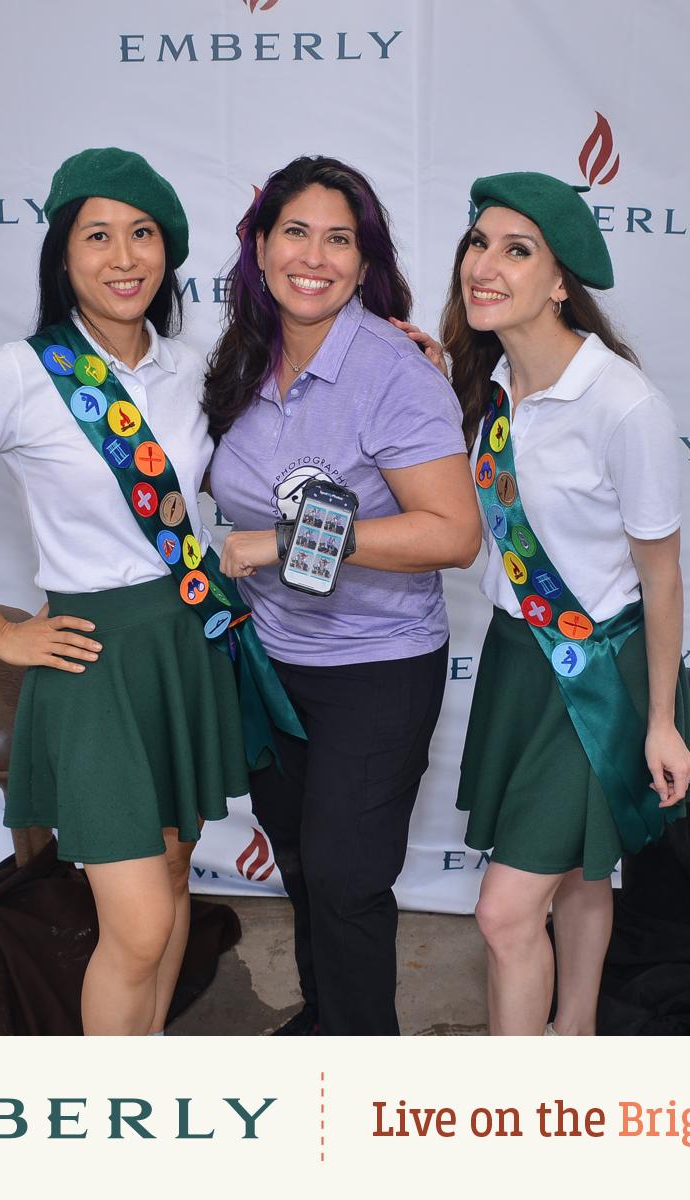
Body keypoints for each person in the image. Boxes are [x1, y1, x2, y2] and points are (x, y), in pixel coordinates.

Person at [0, 148, 251, 1036]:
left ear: (169, 253)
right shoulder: (20, 372)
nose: (123, 257)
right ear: (63, 254)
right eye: (98, 236)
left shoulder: (191, 369)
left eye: (143, 235)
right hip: (95, 664)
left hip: (183, 644)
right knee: (140, 920)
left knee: (171, 886)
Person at [208, 156, 482, 1035]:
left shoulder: (395, 373)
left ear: (365, 264)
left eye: (340, 239)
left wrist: (283, 546)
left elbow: (452, 533)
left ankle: (362, 1075)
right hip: (272, 663)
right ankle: (325, 1023)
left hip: (378, 667)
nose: (314, 256)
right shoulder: (239, 356)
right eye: (295, 232)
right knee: (299, 861)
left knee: (346, 878)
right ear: (259, 247)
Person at [439, 172, 690, 1035]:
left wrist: (660, 721)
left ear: (561, 285)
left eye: (517, 251)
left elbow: (661, 577)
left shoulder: (624, 406)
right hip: (522, 661)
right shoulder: (498, 385)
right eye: (479, 243)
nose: (486, 264)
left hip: (597, 676)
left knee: (505, 914)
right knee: (586, 873)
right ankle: (574, 1035)